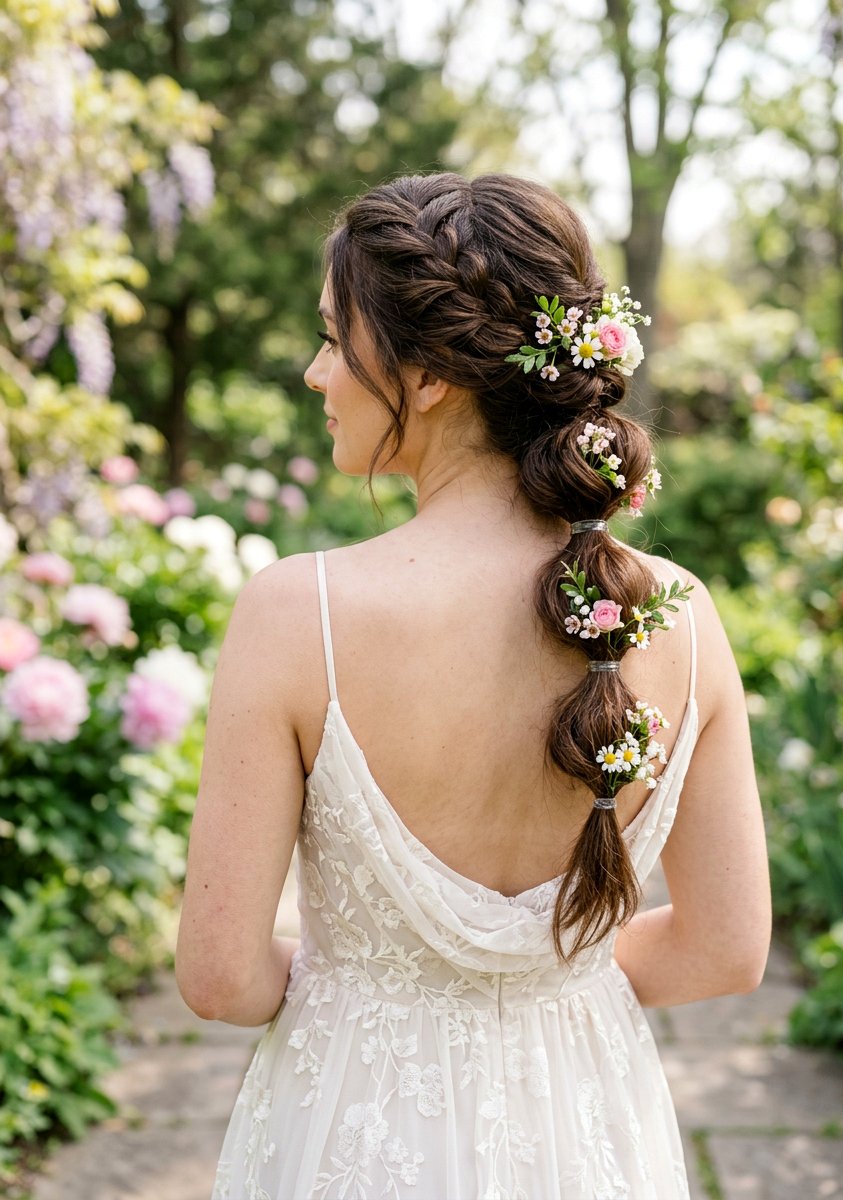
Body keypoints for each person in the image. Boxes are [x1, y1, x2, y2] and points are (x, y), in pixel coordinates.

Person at [176, 172, 771, 1199]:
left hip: (351, 1132)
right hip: (583, 1128)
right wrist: (544, 984)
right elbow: (724, 951)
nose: (318, 373)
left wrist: (379, 998)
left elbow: (222, 978)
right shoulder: (679, 613)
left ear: (432, 373)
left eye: (334, 336)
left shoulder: (296, 615)